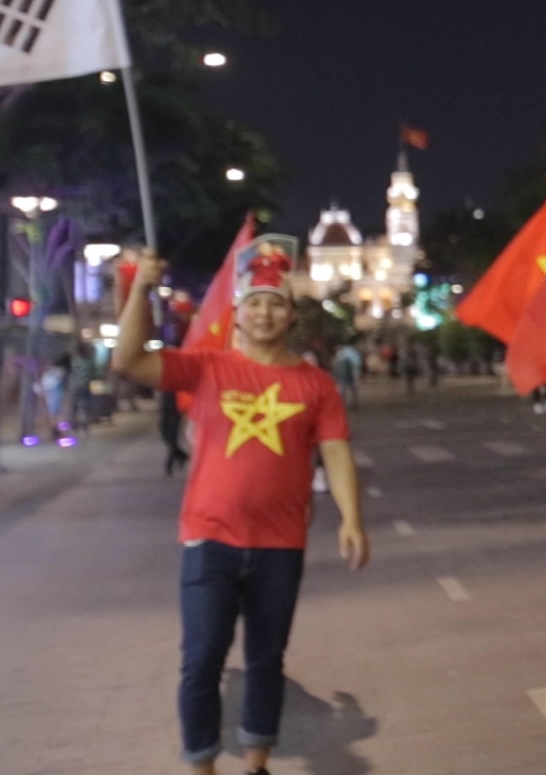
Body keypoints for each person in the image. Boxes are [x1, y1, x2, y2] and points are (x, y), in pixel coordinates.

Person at [112, 237, 368, 775]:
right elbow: (129, 360)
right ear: (238, 313)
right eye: (255, 302)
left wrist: (351, 518)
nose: (265, 312)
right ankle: (202, 763)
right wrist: (139, 287)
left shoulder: (316, 385)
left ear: (290, 314)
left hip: (280, 544)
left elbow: (337, 452)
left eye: (276, 302)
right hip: (210, 539)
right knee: (201, 660)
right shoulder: (206, 368)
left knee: (265, 662)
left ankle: (257, 762)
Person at [159, 387, 190, 477]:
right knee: (165, 436)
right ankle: (183, 456)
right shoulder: (167, 383)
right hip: (165, 410)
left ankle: (169, 465)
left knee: (171, 439)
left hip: (175, 411)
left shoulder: (178, 384)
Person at [332, 343, 363, 410]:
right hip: (352, 372)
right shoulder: (353, 353)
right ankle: (354, 402)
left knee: (343, 388)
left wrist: (336, 374)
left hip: (343, 373)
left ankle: (342, 403)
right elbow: (357, 363)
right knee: (353, 387)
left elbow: (336, 364)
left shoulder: (340, 353)